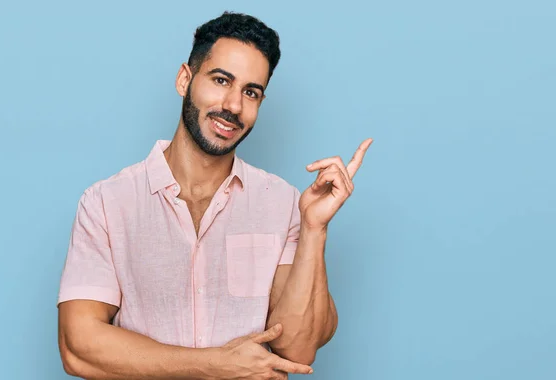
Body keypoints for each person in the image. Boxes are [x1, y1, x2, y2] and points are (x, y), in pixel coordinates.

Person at [57, 11, 372, 380]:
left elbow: (298, 348)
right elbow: (79, 347)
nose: (234, 106)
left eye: (251, 92)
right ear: (184, 79)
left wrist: (315, 228)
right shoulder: (106, 204)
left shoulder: (283, 204)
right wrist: (216, 365)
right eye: (221, 80)